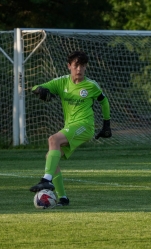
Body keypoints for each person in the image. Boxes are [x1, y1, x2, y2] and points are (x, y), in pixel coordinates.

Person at [29, 50, 112, 206]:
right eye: (76, 66)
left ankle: (46, 181)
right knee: (51, 158)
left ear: (86, 67)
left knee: (53, 139)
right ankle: (63, 198)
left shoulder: (91, 85)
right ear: (69, 66)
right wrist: (39, 90)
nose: (79, 69)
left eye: (82, 66)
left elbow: (104, 101)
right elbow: (36, 87)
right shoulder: (62, 82)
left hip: (85, 126)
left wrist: (106, 124)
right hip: (71, 127)